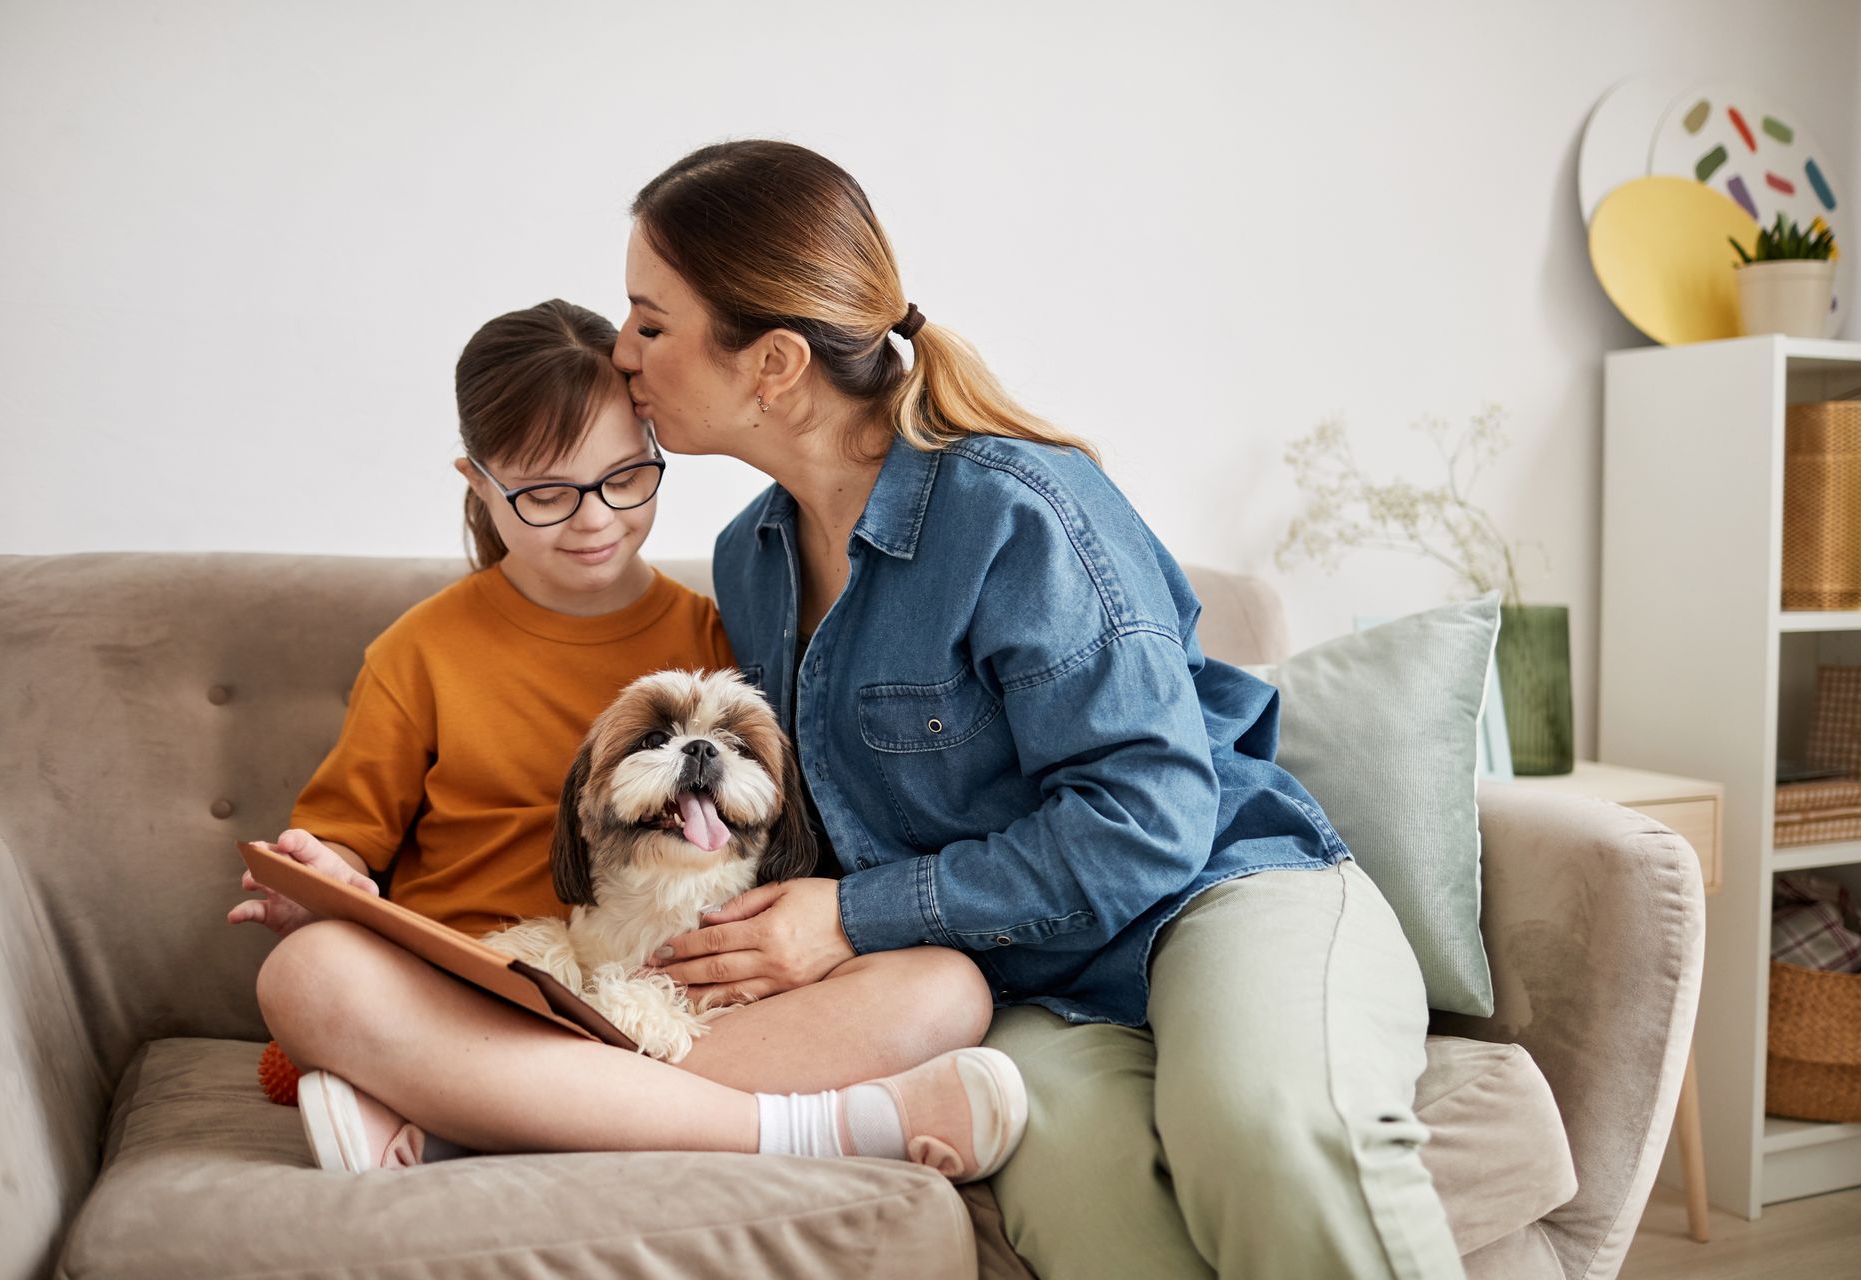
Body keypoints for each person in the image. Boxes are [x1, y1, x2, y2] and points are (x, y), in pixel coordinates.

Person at [615, 140, 1464, 1279]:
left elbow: (1150, 816)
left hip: (1219, 890)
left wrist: (855, 915)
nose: (620, 351)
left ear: (771, 361)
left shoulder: (1017, 509)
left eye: (648, 321)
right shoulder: (751, 560)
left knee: (1268, 1133)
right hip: (1026, 979)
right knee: (1087, 1201)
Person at [231, 299, 1021, 1181]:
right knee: (305, 975)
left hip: (676, 995)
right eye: (544, 493)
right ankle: (813, 1129)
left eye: (623, 479)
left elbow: (778, 815)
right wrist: (327, 877)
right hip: (475, 996)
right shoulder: (419, 651)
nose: (594, 518)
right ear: (477, 480)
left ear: (655, 448)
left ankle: (467, 1121)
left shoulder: (720, 636)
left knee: (946, 988)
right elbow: (347, 843)